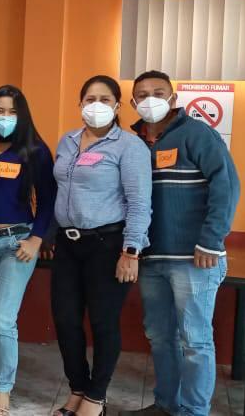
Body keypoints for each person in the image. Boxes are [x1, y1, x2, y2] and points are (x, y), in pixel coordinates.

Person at [121, 71, 239, 416]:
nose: (150, 100)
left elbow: (227, 186)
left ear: (173, 99)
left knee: (195, 340)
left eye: (158, 93)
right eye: (142, 94)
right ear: (133, 103)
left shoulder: (197, 134)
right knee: (160, 336)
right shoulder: (135, 144)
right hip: (151, 258)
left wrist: (211, 241)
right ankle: (166, 404)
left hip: (195, 259)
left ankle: (193, 411)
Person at [50, 75, 152, 416]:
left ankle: (96, 397)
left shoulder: (129, 146)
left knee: (103, 322)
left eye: (105, 100)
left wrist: (131, 251)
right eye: (90, 99)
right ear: (80, 104)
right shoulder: (67, 141)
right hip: (67, 245)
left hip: (108, 245)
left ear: (118, 106)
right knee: (65, 319)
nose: (96, 105)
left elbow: (139, 202)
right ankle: (77, 388)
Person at [0, 85, 56, 415]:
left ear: (23, 116)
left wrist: (37, 239)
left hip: (17, 243)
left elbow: (48, 200)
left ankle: (3, 388)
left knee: (2, 317)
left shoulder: (35, 151)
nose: (5, 118)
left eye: (12, 112)